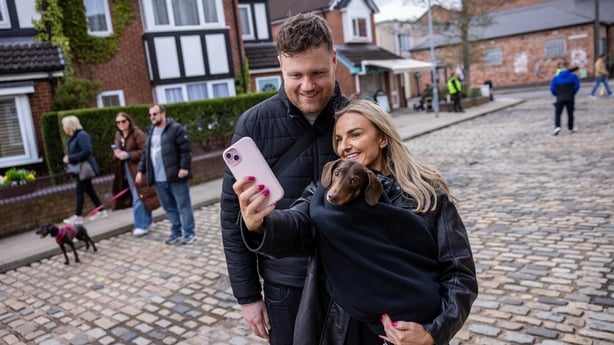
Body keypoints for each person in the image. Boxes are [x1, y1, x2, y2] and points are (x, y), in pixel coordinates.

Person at [233, 99, 478, 345]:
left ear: (382, 138)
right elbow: (298, 225)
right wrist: (262, 223)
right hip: (343, 325)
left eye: (355, 135)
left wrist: (433, 332)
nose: (345, 146)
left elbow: (459, 273)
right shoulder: (324, 192)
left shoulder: (427, 196)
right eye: (338, 139)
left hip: (408, 329)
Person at [220, 13, 350, 344]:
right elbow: (232, 218)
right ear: (280, 65)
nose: (307, 86)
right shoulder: (253, 125)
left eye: (318, 73)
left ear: (334, 60)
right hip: (285, 286)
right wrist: (248, 297)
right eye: (296, 75)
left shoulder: (359, 119)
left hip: (353, 278)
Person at [135, 104, 195, 245]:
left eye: (155, 114)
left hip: (176, 177)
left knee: (183, 206)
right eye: (150, 115)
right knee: (169, 207)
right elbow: (146, 154)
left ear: (163, 114)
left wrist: (184, 167)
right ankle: (176, 231)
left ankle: (189, 233)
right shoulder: (150, 132)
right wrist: (140, 171)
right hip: (158, 179)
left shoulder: (176, 129)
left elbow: (186, 150)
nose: (152, 117)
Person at [111, 112, 160, 237]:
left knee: (139, 196)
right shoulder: (118, 135)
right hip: (125, 171)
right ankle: (148, 222)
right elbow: (117, 150)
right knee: (141, 196)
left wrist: (128, 155)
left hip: (139, 169)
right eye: (118, 122)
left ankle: (140, 225)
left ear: (129, 121)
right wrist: (117, 154)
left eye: (123, 121)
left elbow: (145, 151)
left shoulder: (137, 133)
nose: (121, 124)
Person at [61, 115, 107, 224]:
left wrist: (70, 158)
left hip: (85, 168)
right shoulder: (73, 137)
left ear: (69, 126)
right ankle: (101, 211)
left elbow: (87, 151)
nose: (63, 128)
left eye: (64, 125)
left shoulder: (82, 135)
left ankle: (78, 216)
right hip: (79, 168)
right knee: (90, 191)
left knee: (79, 191)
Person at [550, 62, 580, 135]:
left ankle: (557, 127)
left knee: (558, 113)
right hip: (570, 96)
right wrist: (572, 93)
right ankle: (570, 127)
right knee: (570, 113)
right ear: (568, 67)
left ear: (561, 68)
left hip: (560, 97)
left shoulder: (556, 77)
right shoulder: (573, 76)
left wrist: (557, 94)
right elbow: (577, 86)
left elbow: (552, 88)